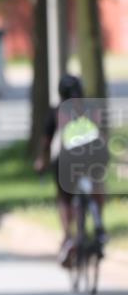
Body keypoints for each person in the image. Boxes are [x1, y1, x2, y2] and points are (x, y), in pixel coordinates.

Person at [34, 74, 107, 266]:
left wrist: (41, 161)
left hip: (66, 161)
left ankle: (68, 236)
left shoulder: (55, 112)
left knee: (64, 197)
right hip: (91, 158)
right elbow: (102, 135)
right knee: (97, 184)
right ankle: (99, 225)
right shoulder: (91, 108)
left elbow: (47, 142)